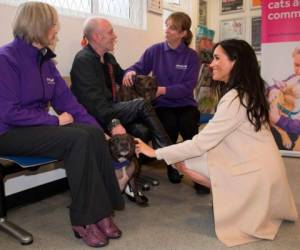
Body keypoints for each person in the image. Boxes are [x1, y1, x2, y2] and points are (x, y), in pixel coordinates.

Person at [134, 39, 298, 247]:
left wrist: (155, 153)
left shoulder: (234, 99)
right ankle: (232, 197)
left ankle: (235, 200)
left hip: (255, 176)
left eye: (217, 58)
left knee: (185, 161)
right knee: (191, 154)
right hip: (265, 170)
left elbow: (199, 144)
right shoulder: (250, 91)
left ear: (235, 63)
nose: (211, 64)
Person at [0, 2, 124, 248]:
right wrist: (54, 120)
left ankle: (103, 211)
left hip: (36, 128)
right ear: (39, 26)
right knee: (77, 139)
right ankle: (84, 220)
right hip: (8, 132)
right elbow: (8, 112)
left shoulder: (47, 62)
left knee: (90, 133)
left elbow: (71, 104)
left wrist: (102, 132)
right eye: (53, 24)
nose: (56, 30)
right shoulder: (6, 58)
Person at [70, 17, 182, 184]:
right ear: (97, 37)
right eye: (110, 32)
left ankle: (131, 175)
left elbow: (123, 77)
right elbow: (95, 106)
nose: (115, 36)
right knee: (142, 104)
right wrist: (115, 122)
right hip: (96, 115)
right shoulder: (83, 61)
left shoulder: (108, 58)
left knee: (141, 131)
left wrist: (131, 74)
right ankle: (167, 155)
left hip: (111, 108)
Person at [123, 12, 208, 194]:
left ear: (183, 33)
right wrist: (130, 72)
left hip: (185, 103)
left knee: (189, 130)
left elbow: (187, 87)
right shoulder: (155, 51)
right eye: (166, 25)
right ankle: (173, 166)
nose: (167, 30)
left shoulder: (192, 57)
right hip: (163, 105)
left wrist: (163, 90)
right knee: (167, 127)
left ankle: (199, 174)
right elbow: (138, 67)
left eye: (173, 27)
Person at [269, 47, 300, 134]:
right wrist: (273, 90)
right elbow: (272, 87)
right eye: (296, 65)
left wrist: (278, 119)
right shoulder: (293, 77)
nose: (299, 70)